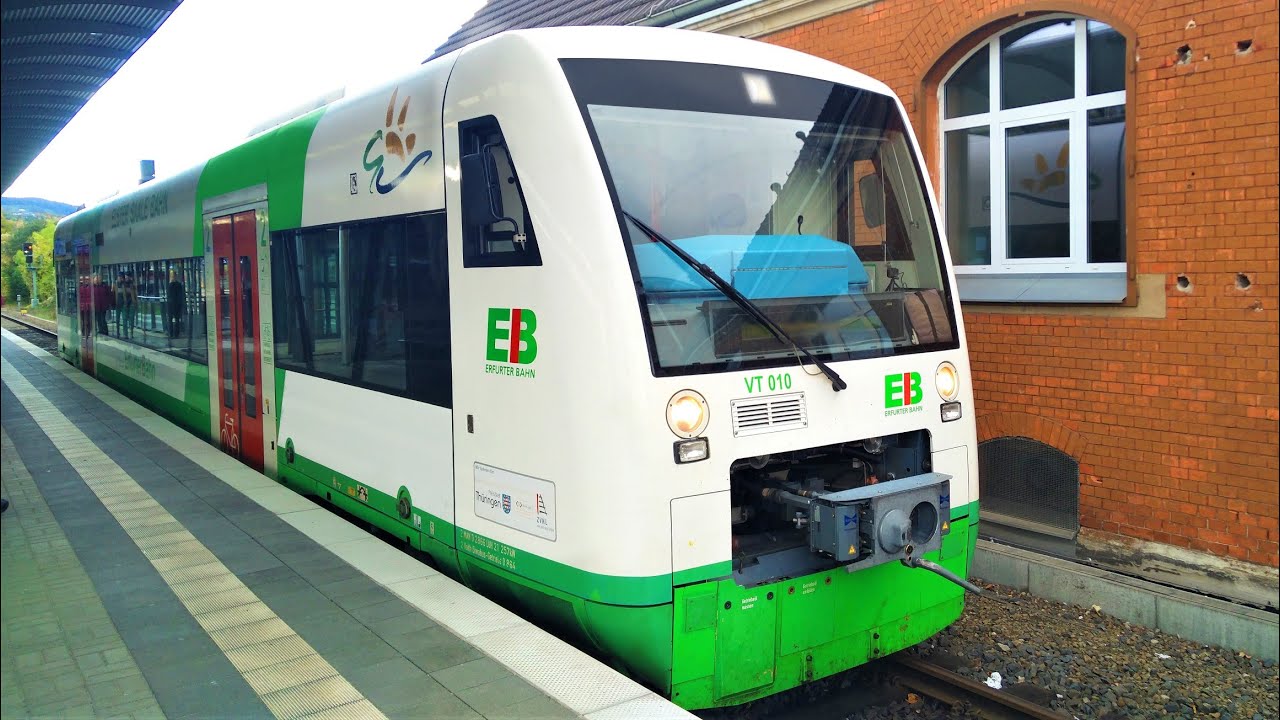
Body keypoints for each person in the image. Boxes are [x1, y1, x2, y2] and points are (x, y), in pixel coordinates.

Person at [116, 273, 138, 339]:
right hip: (125, 303)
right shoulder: (122, 284)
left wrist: (136, 303)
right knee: (125, 319)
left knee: (131, 319)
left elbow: (135, 294)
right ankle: (125, 334)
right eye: (125, 277)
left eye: (128, 277)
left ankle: (131, 333)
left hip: (131, 303)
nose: (127, 278)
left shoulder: (132, 284)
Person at [167, 270, 184, 338]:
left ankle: (172, 334)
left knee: (173, 319)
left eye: (172, 276)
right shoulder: (178, 285)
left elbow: (170, 295)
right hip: (175, 305)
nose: (172, 277)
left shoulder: (171, 285)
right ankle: (175, 334)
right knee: (175, 319)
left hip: (173, 305)